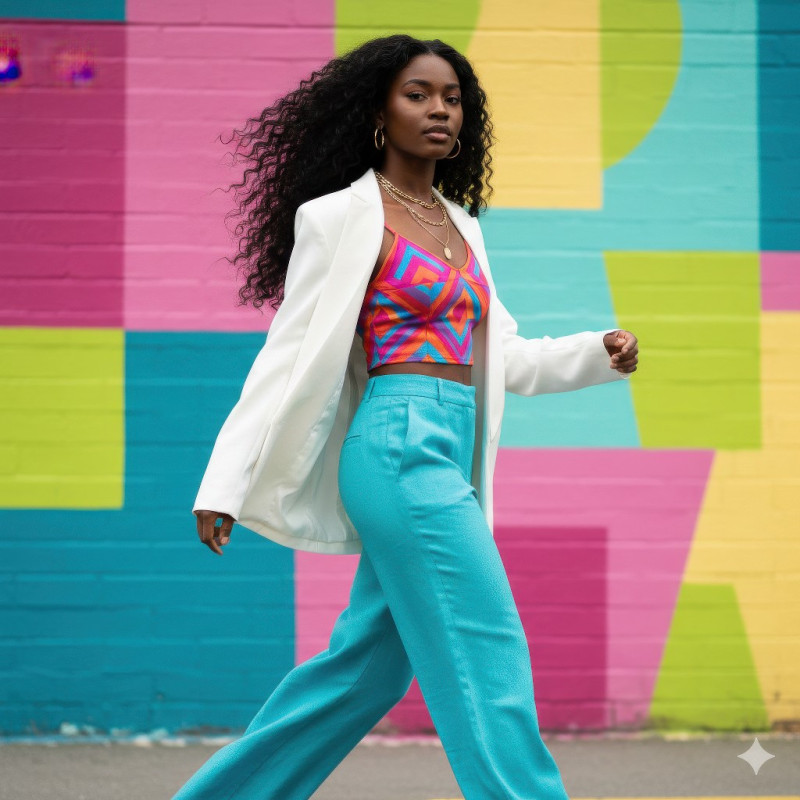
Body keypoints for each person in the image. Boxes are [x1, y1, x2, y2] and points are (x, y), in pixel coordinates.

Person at [173, 33, 638, 800]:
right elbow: (286, 356)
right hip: (398, 444)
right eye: (417, 94)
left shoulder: (462, 226)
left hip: (449, 446)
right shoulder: (339, 217)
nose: (438, 110)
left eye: (452, 98)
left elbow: (506, 357)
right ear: (377, 112)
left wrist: (598, 351)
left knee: (364, 672)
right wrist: (226, 480)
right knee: (488, 647)